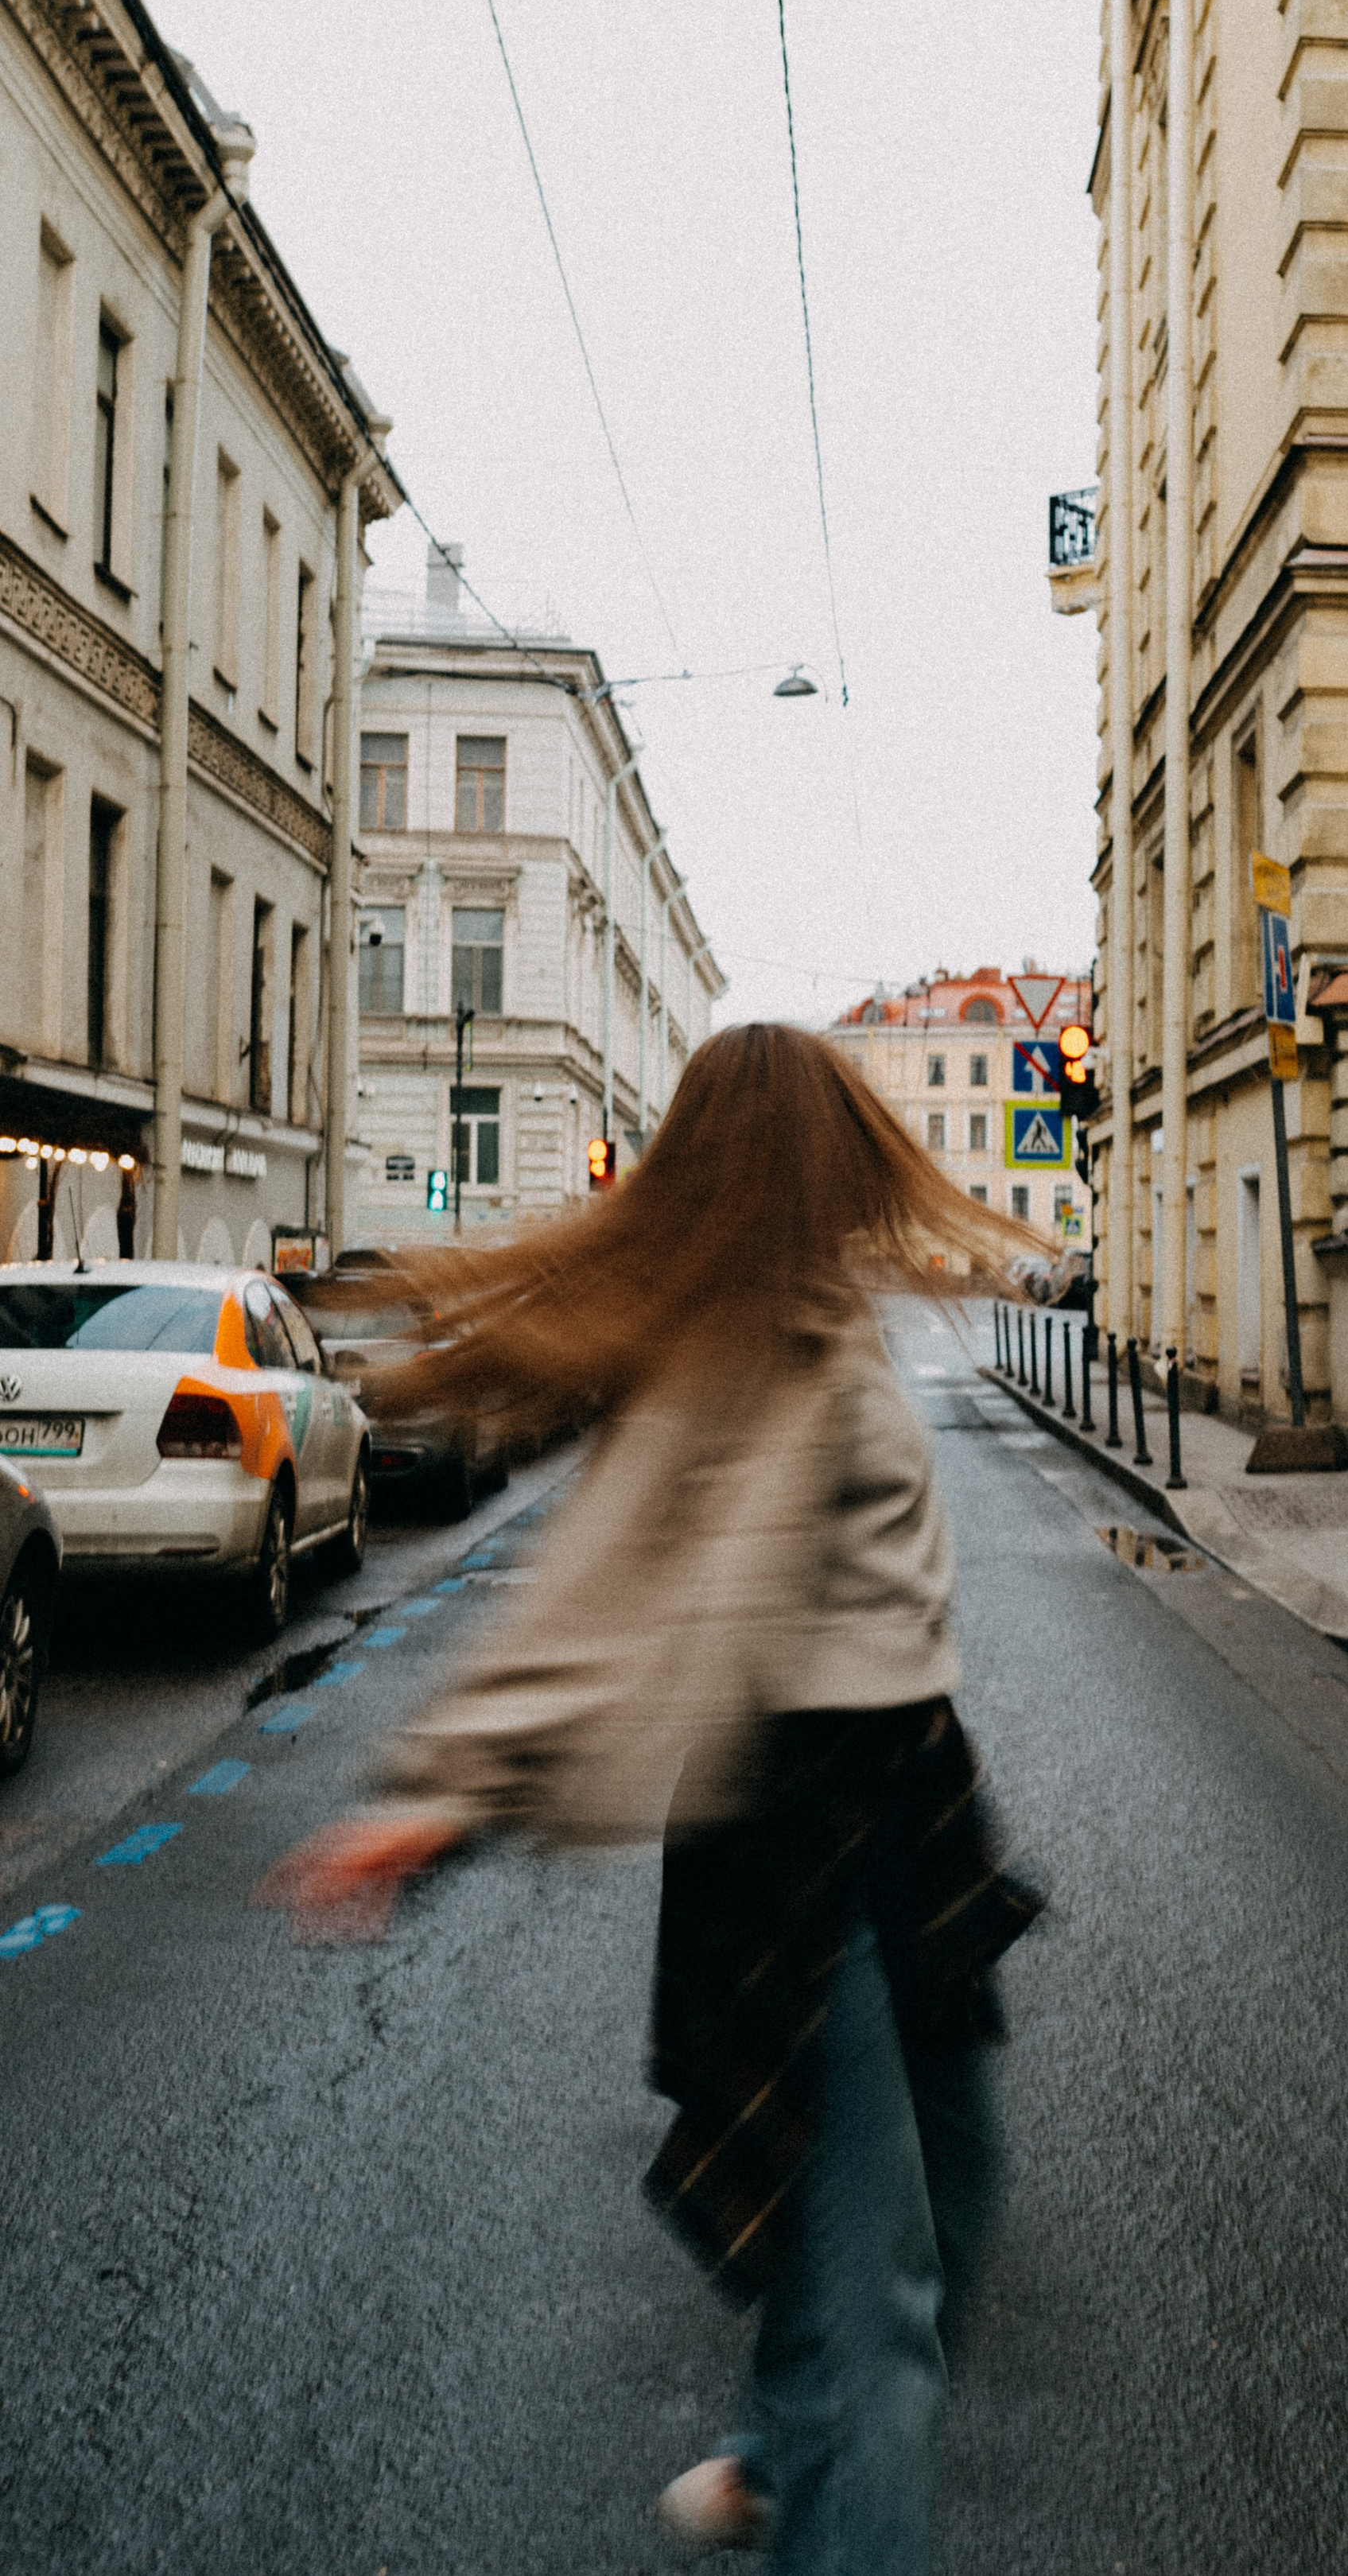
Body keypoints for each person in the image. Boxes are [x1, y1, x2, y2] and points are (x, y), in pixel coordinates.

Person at [260, 1023, 1042, 2570]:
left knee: (949, 2191)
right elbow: (614, 1581)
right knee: (879, 2315)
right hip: (816, 1827)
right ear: (817, 1155)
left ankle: (776, 2439)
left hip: (907, 1800)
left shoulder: (813, 1311)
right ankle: (815, 2465)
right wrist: (451, 1790)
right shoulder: (750, 1344)